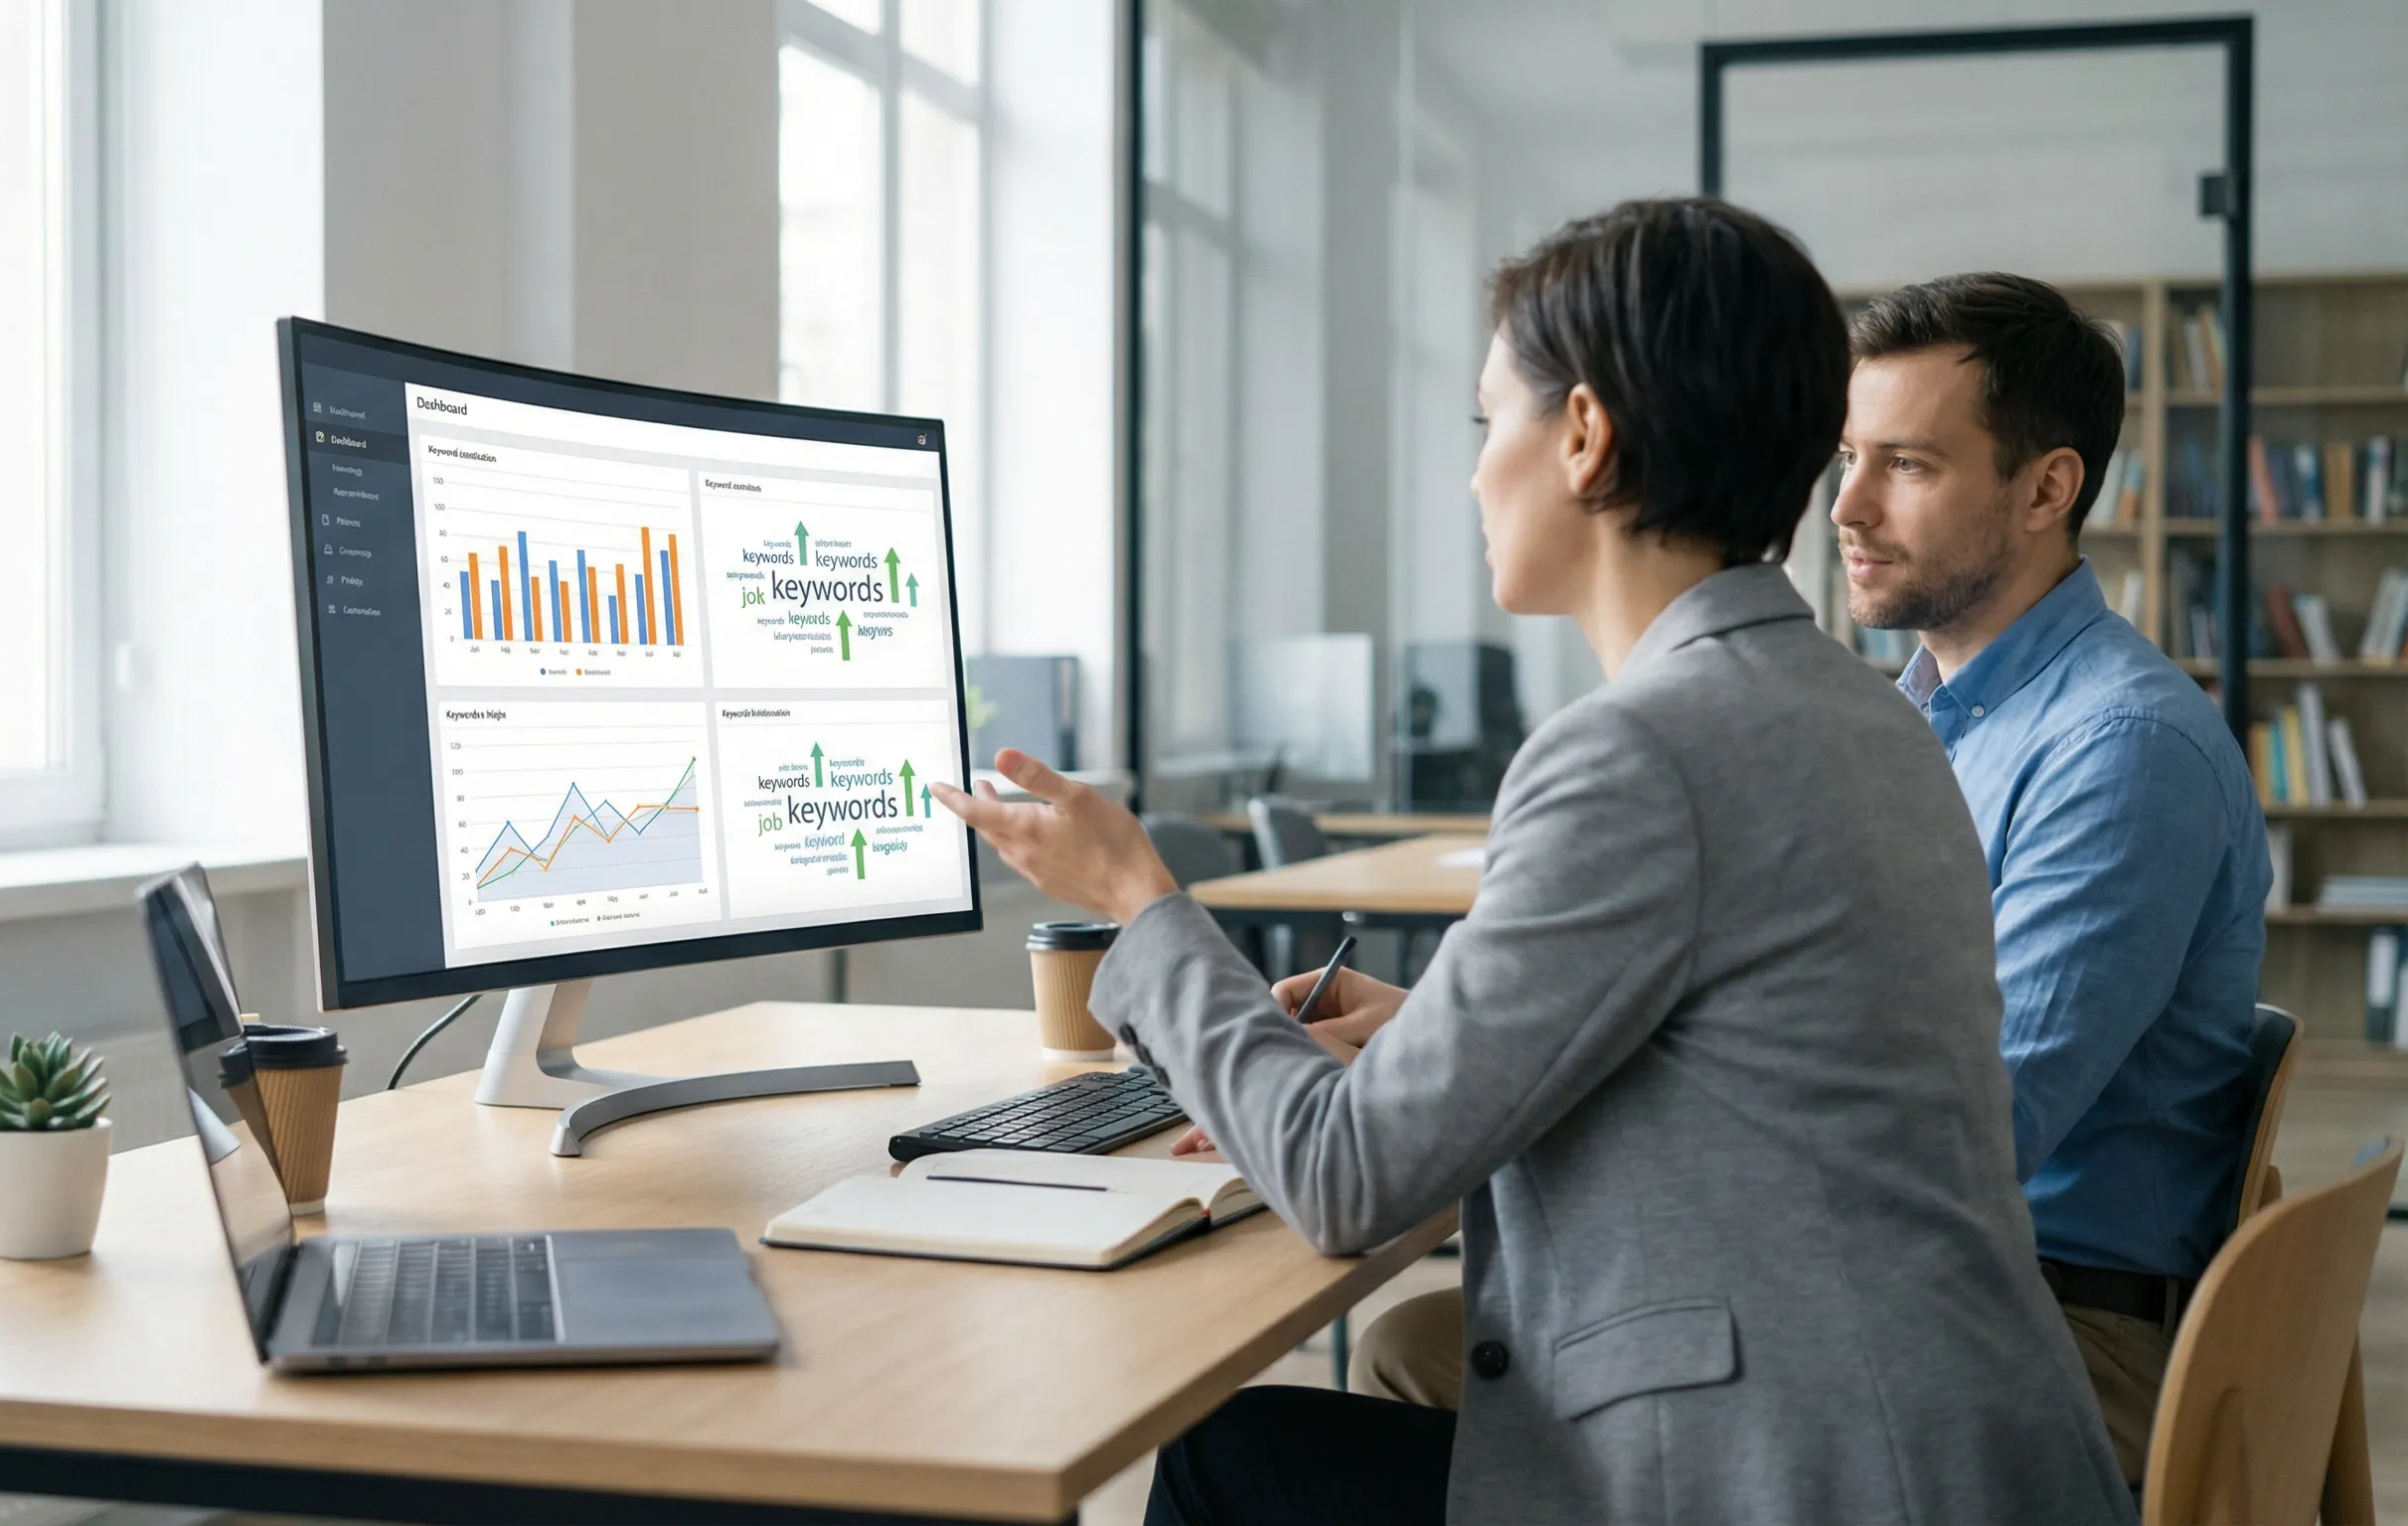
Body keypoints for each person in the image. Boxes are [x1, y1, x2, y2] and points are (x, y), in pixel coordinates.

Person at [932, 199, 2132, 1526]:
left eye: (1484, 419)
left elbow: (1345, 1183)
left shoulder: (1638, 752)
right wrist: (1435, 1039)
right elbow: (1744, 1068)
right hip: (1946, 1450)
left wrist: (1135, 898)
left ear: (1580, 435)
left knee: (1233, 1466)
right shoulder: (1864, 711)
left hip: (1800, 1476)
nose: (1471, 472)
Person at [1834, 272, 2269, 1484]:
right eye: (1845, 457)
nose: (1847, 508)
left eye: (1906, 466)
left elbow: (1970, 1126)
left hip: (2052, 1324)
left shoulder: (2118, 750)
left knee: (1474, 1361)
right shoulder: (1931, 723)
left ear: (2046, 488)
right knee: (1442, 1346)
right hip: (1944, 1275)